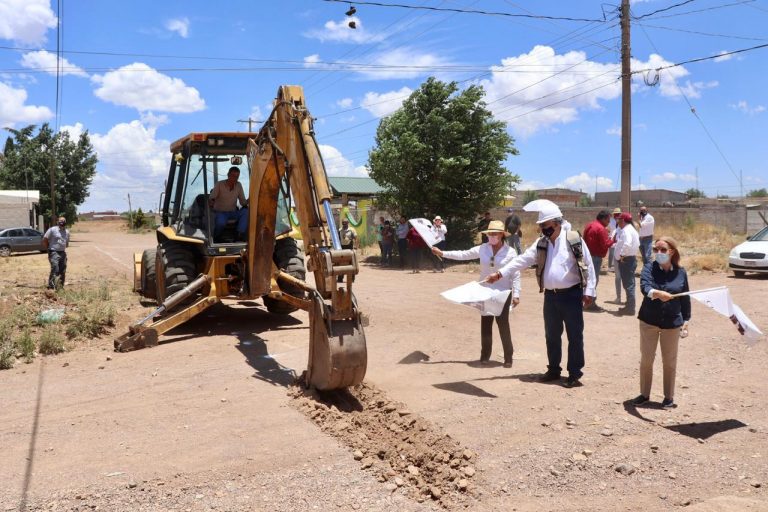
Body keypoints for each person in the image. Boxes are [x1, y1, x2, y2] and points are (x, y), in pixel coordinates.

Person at [486, 200, 596, 388]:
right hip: (550, 297)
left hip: (571, 295)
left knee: (574, 336)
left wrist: (590, 291)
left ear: (556, 223)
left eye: (545, 225)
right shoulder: (542, 243)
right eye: (541, 226)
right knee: (551, 334)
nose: (542, 229)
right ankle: (554, 369)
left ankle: (574, 373)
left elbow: (589, 265)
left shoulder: (573, 239)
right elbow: (522, 260)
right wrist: (500, 273)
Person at [432, 220, 521, 367]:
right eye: (489, 234)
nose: (491, 236)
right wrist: (442, 253)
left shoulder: (510, 252)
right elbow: (463, 254)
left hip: (503, 292)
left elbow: (515, 274)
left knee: (503, 324)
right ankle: (485, 355)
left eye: (494, 234)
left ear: (501, 235)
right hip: (484, 290)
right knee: (486, 323)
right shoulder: (483, 248)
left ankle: (508, 357)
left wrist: (516, 294)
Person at [632, 237, 691, 409]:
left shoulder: (681, 272)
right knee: (647, 360)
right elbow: (645, 287)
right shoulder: (649, 267)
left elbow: (685, 297)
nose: (658, 253)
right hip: (649, 321)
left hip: (672, 323)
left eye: (663, 250)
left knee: (670, 362)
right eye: (656, 249)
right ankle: (644, 394)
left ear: (672, 251)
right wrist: (657, 293)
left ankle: (668, 397)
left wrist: (686, 319)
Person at [582, 210, 614, 311]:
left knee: (587, 280)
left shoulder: (589, 225)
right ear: (603, 219)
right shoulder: (601, 229)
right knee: (593, 280)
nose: (609, 223)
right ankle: (590, 303)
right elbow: (605, 244)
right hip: (595, 257)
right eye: (608, 220)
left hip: (587, 256)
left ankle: (586, 301)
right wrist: (614, 240)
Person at [209, 166, 248, 241]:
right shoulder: (220, 184)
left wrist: (250, 200)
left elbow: (243, 202)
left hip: (233, 212)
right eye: (233, 176)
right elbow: (212, 198)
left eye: (237, 176)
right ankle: (216, 237)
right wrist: (211, 202)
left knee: (246, 212)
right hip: (220, 212)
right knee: (220, 223)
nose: (235, 178)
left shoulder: (238, 185)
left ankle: (239, 235)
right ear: (228, 175)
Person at [614, 213, 640, 316]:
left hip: (626, 260)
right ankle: (630, 305)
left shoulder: (626, 230)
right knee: (629, 283)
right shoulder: (631, 229)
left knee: (628, 284)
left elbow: (627, 244)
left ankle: (630, 308)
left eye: (619, 220)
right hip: (630, 259)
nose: (618, 222)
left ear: (623, 220)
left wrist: (622, 256)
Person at [42, 216, 70, 289]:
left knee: (62, 270)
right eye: (60, 221)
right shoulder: (52, 230)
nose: (62, 222)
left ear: (65, 222)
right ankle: (51, 286)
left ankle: (60, 286)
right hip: (54, 252)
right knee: (55, 268)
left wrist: (62, 245)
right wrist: (48, 249)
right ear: (58, 222)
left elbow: (66, 243)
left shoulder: (67, 232)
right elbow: (45, 239)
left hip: (62, 253)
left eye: (63, 221)